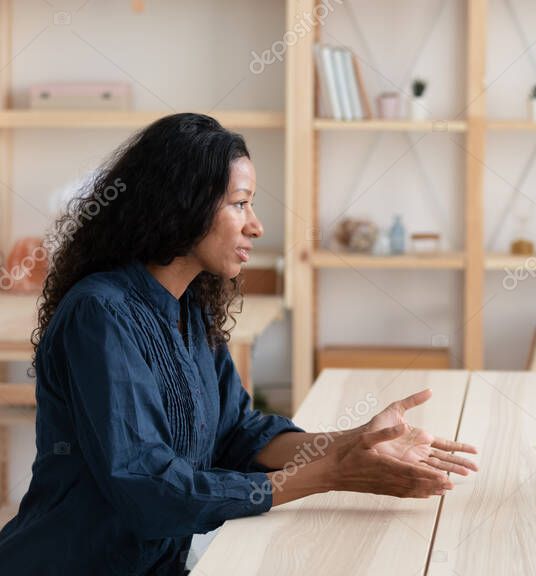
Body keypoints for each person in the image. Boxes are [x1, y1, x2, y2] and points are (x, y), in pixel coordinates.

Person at [0, 113, 477, 575]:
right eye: (240, 203)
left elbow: (237, 435)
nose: (256, 225)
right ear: (181, 205)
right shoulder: (99, 315)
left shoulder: (189, 308)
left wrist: (358, 442)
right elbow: (149, 490)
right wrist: (332, 472)